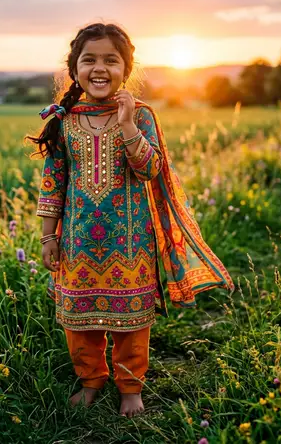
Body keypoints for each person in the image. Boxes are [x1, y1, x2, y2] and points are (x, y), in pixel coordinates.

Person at [27, 22, 234, 418]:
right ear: (74, 69)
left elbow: (150, 169)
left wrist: (125, 125)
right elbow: (52, 184)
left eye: (111, 60)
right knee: (78, 321)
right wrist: (46, 237)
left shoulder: (140, 117)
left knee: (131, 323)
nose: (99, 68)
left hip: (131, 243)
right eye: (89, 59)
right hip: (77, 244)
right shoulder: (63, 121)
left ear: (126, 69)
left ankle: (130, 387)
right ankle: (90, 381)